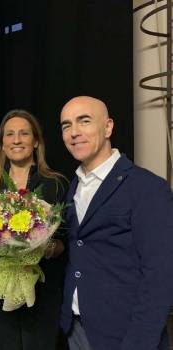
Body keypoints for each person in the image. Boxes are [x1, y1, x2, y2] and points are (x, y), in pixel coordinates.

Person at [59, 96, 173, 350]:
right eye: (66, 126)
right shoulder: (73, 186)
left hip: (125, 333)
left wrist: (139, 342)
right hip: (76, 327)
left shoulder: (146, 188)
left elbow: (160, 275)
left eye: (84, 121)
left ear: (108, 127)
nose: (74, 132)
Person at [0, 109, 67, 350]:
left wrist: (44, 246)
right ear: (2, 144)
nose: (16, 140)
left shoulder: (55, 183)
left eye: (24, 133)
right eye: (9, 134)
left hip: (42, 291)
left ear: (36, 141)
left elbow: (66, 244)